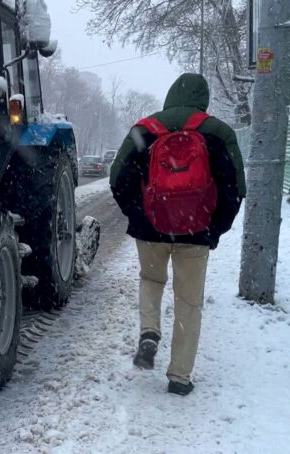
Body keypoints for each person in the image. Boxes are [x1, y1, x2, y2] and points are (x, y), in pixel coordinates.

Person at [110, 73, 246, 396]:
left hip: (151, 228)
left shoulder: (146, 129)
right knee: (188, 303)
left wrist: (140, 215)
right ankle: (179, 377)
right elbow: (235, 188)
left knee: (151, 281)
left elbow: (118, 178)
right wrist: (214, 229)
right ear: (204, 98)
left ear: (171, 95)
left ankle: (149, 332)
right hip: (195, 230)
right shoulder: (218, 132)